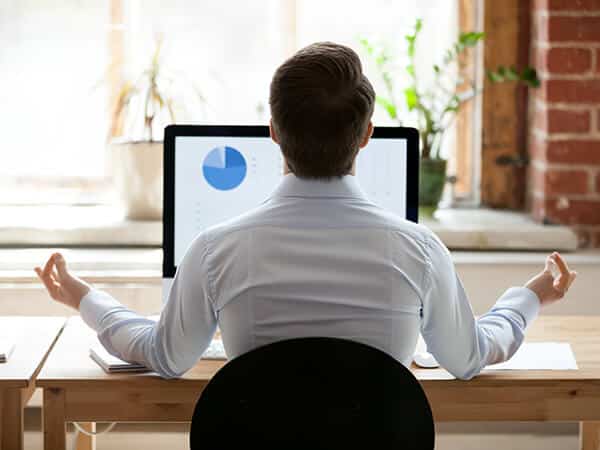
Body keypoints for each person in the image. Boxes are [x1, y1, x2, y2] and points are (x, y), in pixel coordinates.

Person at [35, 42, 576, 380]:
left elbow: (166, 355)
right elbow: (469, 358)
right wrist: (528, 297)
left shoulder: (214, 249)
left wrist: (85, 297)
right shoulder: (420, 249)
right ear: (367, 136)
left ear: (273, 133)